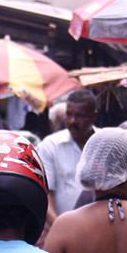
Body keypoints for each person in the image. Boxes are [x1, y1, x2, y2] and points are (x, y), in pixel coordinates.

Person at [36, 88, 98, 227]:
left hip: (98, 231)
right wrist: (60, 229)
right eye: (69, 114)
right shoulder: (50, 145)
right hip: (59, 228)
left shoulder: (105, 143)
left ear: (93, 117)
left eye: (80, 116)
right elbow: (45, 195)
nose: (72, 121)